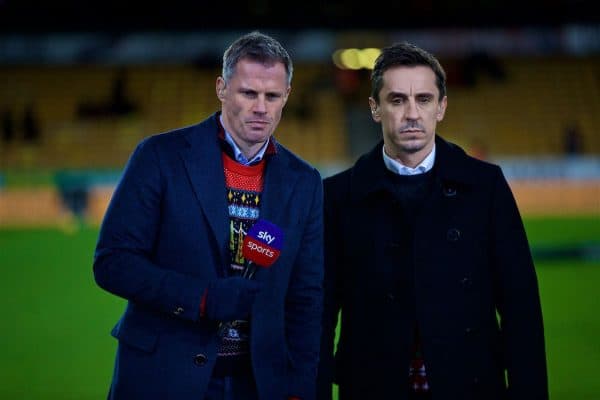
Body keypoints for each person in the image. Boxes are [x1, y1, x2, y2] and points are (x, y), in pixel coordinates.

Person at [94, 31, 324, 400]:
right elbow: (112, 262)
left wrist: (300, 389)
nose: (261, 108)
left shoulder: (305, 182)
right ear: (221, 88)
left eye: (272, 96)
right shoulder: (159, 156)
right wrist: (201, 298)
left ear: (287, 97)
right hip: (163, 378)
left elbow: (306, 298)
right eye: (248, 93)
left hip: (259, 384)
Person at [317, 42, 548, 399]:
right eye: (397, 100)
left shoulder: (486, 186)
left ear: (441, 107)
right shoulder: (337, 196)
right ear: (374, 108)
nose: (412, 113)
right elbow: (320, 314)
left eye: (423, 100)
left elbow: (521, 309)